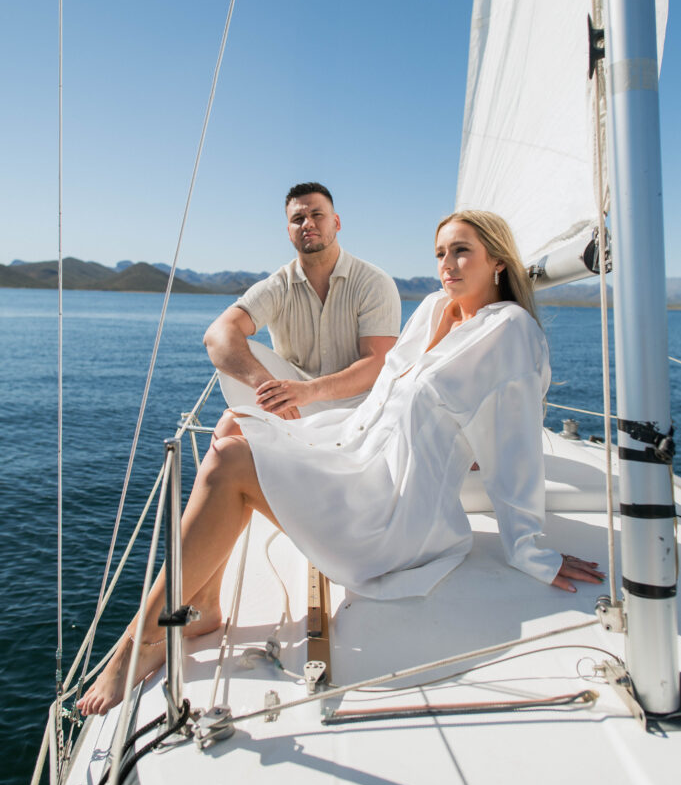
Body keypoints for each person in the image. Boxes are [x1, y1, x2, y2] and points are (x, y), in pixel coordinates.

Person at [79, 210, 603, 716]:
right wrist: (315, 439)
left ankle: (141, 637)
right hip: (359, 461)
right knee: (237, 425)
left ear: (498, 262)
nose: (447, 264)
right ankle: (207, 604)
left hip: (395, 515)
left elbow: (515, 442)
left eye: (462, 251)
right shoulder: (434, 312)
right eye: (440, 252)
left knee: (231, 462)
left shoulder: (509, 330)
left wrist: (531, 547)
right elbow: (384, 400)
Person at [204, 182, 401, 425]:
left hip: (362, 408)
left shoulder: (373, 282)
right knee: (227, 426)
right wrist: (267, 387)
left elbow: (378, 362)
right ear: (289, 232)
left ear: (336, 223)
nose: (307, 223)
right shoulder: (278, 286)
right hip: (296, 406)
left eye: (317, 214)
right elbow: (217, 335)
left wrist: (311, 390)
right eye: (298, 219)